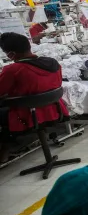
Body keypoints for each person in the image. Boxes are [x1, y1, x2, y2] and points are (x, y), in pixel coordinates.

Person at [0, 32, 68, 163]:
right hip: (54, 110)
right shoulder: (52, 63)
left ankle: (5, 150)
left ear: (11, 55)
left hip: (27, 115)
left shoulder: (13, 70)